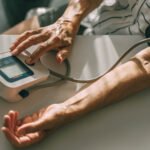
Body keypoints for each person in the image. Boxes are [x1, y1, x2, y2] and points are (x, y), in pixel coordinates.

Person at [1, 0, 150, 147]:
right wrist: (68, 19)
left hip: (122, 50)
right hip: (85, 13)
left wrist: (67, 109)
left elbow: (145, 64)